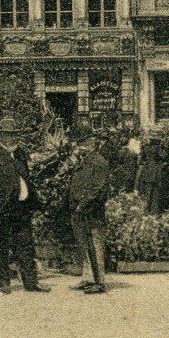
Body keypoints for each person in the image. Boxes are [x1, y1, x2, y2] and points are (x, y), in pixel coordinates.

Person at [0, 117, 48, 294]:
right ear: (1, 137)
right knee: (0, 246)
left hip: (21, 207)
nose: (12, 139)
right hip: (2, 207)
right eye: (8, 136)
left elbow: (25, 177)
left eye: (14, 135)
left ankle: (31, 283)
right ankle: (3, 284)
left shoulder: (20, 154)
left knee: (26, 245)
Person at [67, 123, 111, 295]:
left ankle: (99, 282)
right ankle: (88, 278)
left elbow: (96, 189)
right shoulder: (84, 160)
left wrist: (82, 205)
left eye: (81, 142)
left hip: (90, 210)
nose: (78, 146)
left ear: (91, 142)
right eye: (79, 143)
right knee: (84, 244)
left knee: (95, 244)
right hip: (79, 209)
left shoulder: (99, 161)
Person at [136, 133, 169, 215]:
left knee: (147, 192)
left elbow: (140, 161)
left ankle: (146, 210)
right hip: (156, 171)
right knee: (156, 192)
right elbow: (165, 156)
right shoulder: (158, 149)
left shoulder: (145, 147)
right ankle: (154, 211)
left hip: (147, 171)